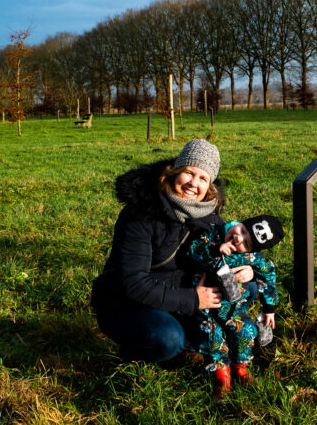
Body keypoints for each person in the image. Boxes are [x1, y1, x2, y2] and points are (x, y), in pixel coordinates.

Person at [90, 138, 254, 365]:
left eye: (203, 178)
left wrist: (245, 269)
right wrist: (193, 299)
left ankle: (195, 343)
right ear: (174, 172)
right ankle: (135, 355)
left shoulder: (211, 218)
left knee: (248, 288)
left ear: (210, 186)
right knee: (167, 339)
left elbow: (225, 255)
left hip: (180, 297)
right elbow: (133, 282)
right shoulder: (140, 213)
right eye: (189, 173)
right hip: (128, 303)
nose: (193, 184)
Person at [186, 214, 284, 398]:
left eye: (246, 243)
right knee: (211, 335)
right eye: (243, 230)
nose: (238, 238)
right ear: (241, 223)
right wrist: (214, 250)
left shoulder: (253, 257)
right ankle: (221, 373)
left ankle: (241, 367)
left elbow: (268, 276)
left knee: (245, 330)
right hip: (205, 304)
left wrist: (269, 308)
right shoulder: (211, 235)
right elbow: (192, 253)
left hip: (233, 306)